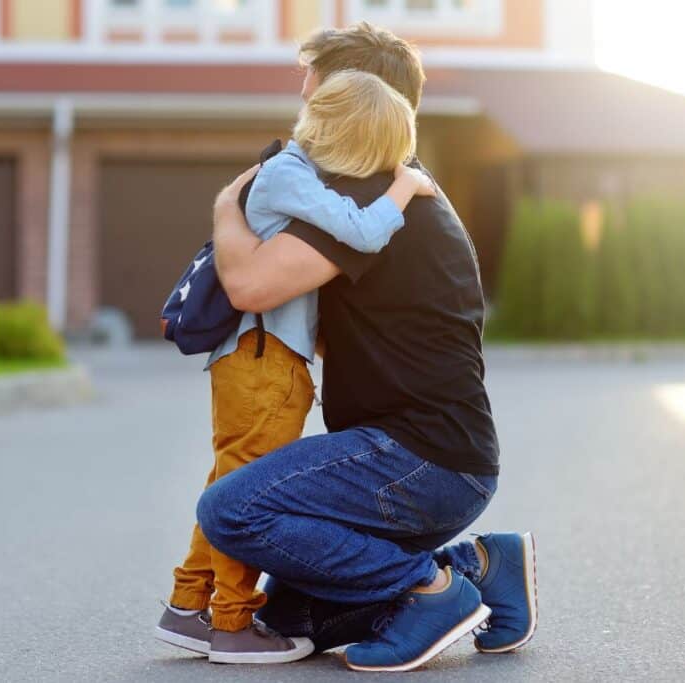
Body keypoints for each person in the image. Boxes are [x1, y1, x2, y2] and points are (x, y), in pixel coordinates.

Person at [195, 22, 538, 672]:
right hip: (435, 462)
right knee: (294, 614)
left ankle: (430, 589)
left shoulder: (366, 195)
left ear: (357, 95)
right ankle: (484, 565)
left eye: (314, 85)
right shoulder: (393, 187)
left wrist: (226, 203)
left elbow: (248, 282)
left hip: (417, 461)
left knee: (231, 510)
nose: (303, 98)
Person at [155, 69, 438, 665]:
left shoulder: (290, 174)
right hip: (263, 361)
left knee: (228, 481)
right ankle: (230, 621)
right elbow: (363, 231)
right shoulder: (289, 173)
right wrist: (405, 188)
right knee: (243, 494)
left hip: (264, 360)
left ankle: (188, 605)